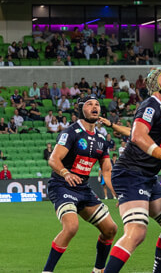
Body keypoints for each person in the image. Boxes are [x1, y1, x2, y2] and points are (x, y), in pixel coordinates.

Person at [100, 67, 161, 273]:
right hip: (130, 173)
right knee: (136, 232)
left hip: (148, 177)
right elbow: (136, 135)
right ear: (154, 83)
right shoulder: (151, 104)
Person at [43, 97, 120, 273]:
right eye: (89, 104)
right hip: (62, 185)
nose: (95, 107)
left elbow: (107, 171)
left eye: (97, 105)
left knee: (110, 229)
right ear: (81, 109)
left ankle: (98, 270)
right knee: (71, 226)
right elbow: (53, 159)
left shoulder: (102, 140)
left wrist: (118, 194)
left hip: (82, 189)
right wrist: (66, 173)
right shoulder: (71, 132)